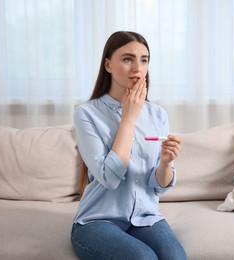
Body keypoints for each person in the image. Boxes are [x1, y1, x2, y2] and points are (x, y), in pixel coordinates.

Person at [70, 31, 187, 260]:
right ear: (108, 65)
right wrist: (128, 119)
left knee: (176, 257)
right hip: (97, 220)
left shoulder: (157, 115)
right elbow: (109, 177)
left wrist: (166, 163)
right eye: (127, 59)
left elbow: (158, 185)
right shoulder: (87, 114)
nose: (138, 68)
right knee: (143, 258)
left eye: (144, 60)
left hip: (145, 217)